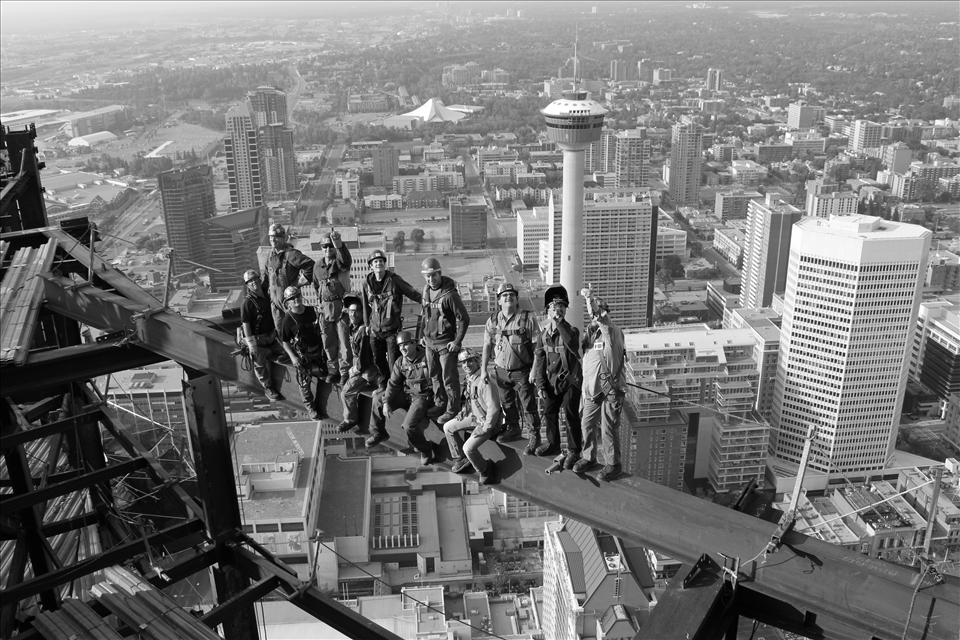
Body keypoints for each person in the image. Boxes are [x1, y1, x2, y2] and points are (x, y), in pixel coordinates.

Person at [572, 286, 627, 482]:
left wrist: (591, 301)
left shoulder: (612, 334)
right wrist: (584, 394)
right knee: (586, 425)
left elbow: (602, 319)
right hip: (592, 394)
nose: (594, 318)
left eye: (596, 313)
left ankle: (613, 464)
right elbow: (589, 369)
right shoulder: (590, 339)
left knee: (608, 429)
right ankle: (588, 457)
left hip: (610, 392)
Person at [482, 282, 541, 451]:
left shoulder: (527, 319)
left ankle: (534, 435)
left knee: (528, 405)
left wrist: (534, 371)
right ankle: (513, 428)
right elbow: (487, 345)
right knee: (506, 402)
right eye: (504, 296)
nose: (508, 297)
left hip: (522, 372)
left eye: (512, 295)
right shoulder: (493, 321)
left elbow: (538, 347)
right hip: (501, 371)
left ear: (516, 300)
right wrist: (483, 370)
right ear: (499, 301)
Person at [366, 330, 439, 464]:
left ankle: (424, 448)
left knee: (408, 426)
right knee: (378, 400)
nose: (402, 349)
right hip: (406, 395)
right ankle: (378, 432)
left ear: (413, 343)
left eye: (405, 345)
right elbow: (393, 384)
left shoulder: (427, 358)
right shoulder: (400, 362)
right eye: (400, 346)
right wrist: (387, 401)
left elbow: (439, 379)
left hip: (422, 397)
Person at [532, 285, 583, 467]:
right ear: (547, 311)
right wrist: (540, 385)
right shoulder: (544, 335)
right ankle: (553, 444)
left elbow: (572, 344)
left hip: (570, 381)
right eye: (554, 307)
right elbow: (539, 360)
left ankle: (574, 451)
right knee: (549, 412)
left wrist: (560, 323)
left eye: (561, 306)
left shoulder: (572, 331)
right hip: (552, 381)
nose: (558, 309)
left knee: (570, 416)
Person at [419, 257, 469, 424]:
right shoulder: (425, 291)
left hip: (445, 343)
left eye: (434, 275)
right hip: (429, 342)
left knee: (449, 378)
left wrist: (457, 342)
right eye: (427, 276)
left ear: (439, 274)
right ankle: (440, 403)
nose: (431, 279)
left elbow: (464, 318)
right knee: (434, 375)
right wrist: (421, 335)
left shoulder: (450, 295)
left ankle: (452, 410)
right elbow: (424, 315)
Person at [362, 249, 422, 387]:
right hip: (375, 329)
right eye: (375, 262)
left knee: (394, 361)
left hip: (391, 329)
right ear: (371, 266)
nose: (379, 264)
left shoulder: (394, 280)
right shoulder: (367, 283)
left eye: (381, 261)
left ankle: (396, 386)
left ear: (385, 264)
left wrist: (427, 301)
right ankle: (384, 383)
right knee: (378, 359)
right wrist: (366, 324)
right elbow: (365, 303)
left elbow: (411, 292)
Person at [442, 348, 499, 485]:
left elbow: (494, 408)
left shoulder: (484, 381)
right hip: (475, 417)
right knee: (448, 427)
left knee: (468, 448)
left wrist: (485, 428)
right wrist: (464, 411)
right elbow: (471, 400)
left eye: (469, 361)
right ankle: (460, 459)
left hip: (488, 423)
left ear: (477, 361)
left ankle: (485, 469)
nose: (466, 365)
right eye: (463, 363)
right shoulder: (470, 379)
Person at [278, 285, 326, 421]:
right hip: (304, 356)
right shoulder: (288, 320)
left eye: (298, 296)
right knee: (304, 384)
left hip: (319, 352)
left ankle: (321, 401)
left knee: (328, 375)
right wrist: (293, 357)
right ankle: (310, 408)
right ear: (288, 302)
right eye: (292, 298)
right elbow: (285, 342)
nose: (296, 299)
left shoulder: (312, 311)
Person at [312, 228, 352, 384]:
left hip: (341, 307)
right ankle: (333, 369)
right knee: (328, 342)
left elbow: (346, 260)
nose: (328, 249)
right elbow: (316, 286)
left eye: (330, 246)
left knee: (344, 343)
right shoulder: (318, 266)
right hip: (325, 308)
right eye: (325, 246)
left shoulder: (340, 262)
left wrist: (339, 245)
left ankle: (345, 371)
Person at [336, 295, 381, 433]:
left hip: (368, 369)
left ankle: (350, 420)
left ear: (363, 313)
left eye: (356, 311)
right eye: (350, 311)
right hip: (363, 367)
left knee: (346, 392)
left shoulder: (363, 331)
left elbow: (365, 359)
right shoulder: (353, 327)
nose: (352, 314)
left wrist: (354, 370)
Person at [240, 269, 286, 401]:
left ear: (259, 279)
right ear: (247, 285)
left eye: (255, 279)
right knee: (259, 363)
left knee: (287, 353)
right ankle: (268, 387)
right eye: (250, 281)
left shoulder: (267, 295)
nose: (253, 282)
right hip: (258, 340)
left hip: (272, 337)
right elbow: (246, 324)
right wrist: (251, 345)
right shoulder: (247, 303)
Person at [262, 224, 314, 332]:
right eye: (271, 237)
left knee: (296, 332)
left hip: (290, 303)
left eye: (276, 237)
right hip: (275, 304)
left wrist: (299, 283)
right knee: (282, 334)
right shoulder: (270, 256)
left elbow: (311, 266)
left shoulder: (291, 254)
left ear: (284, 238)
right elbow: (266, 278)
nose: (273, 240)